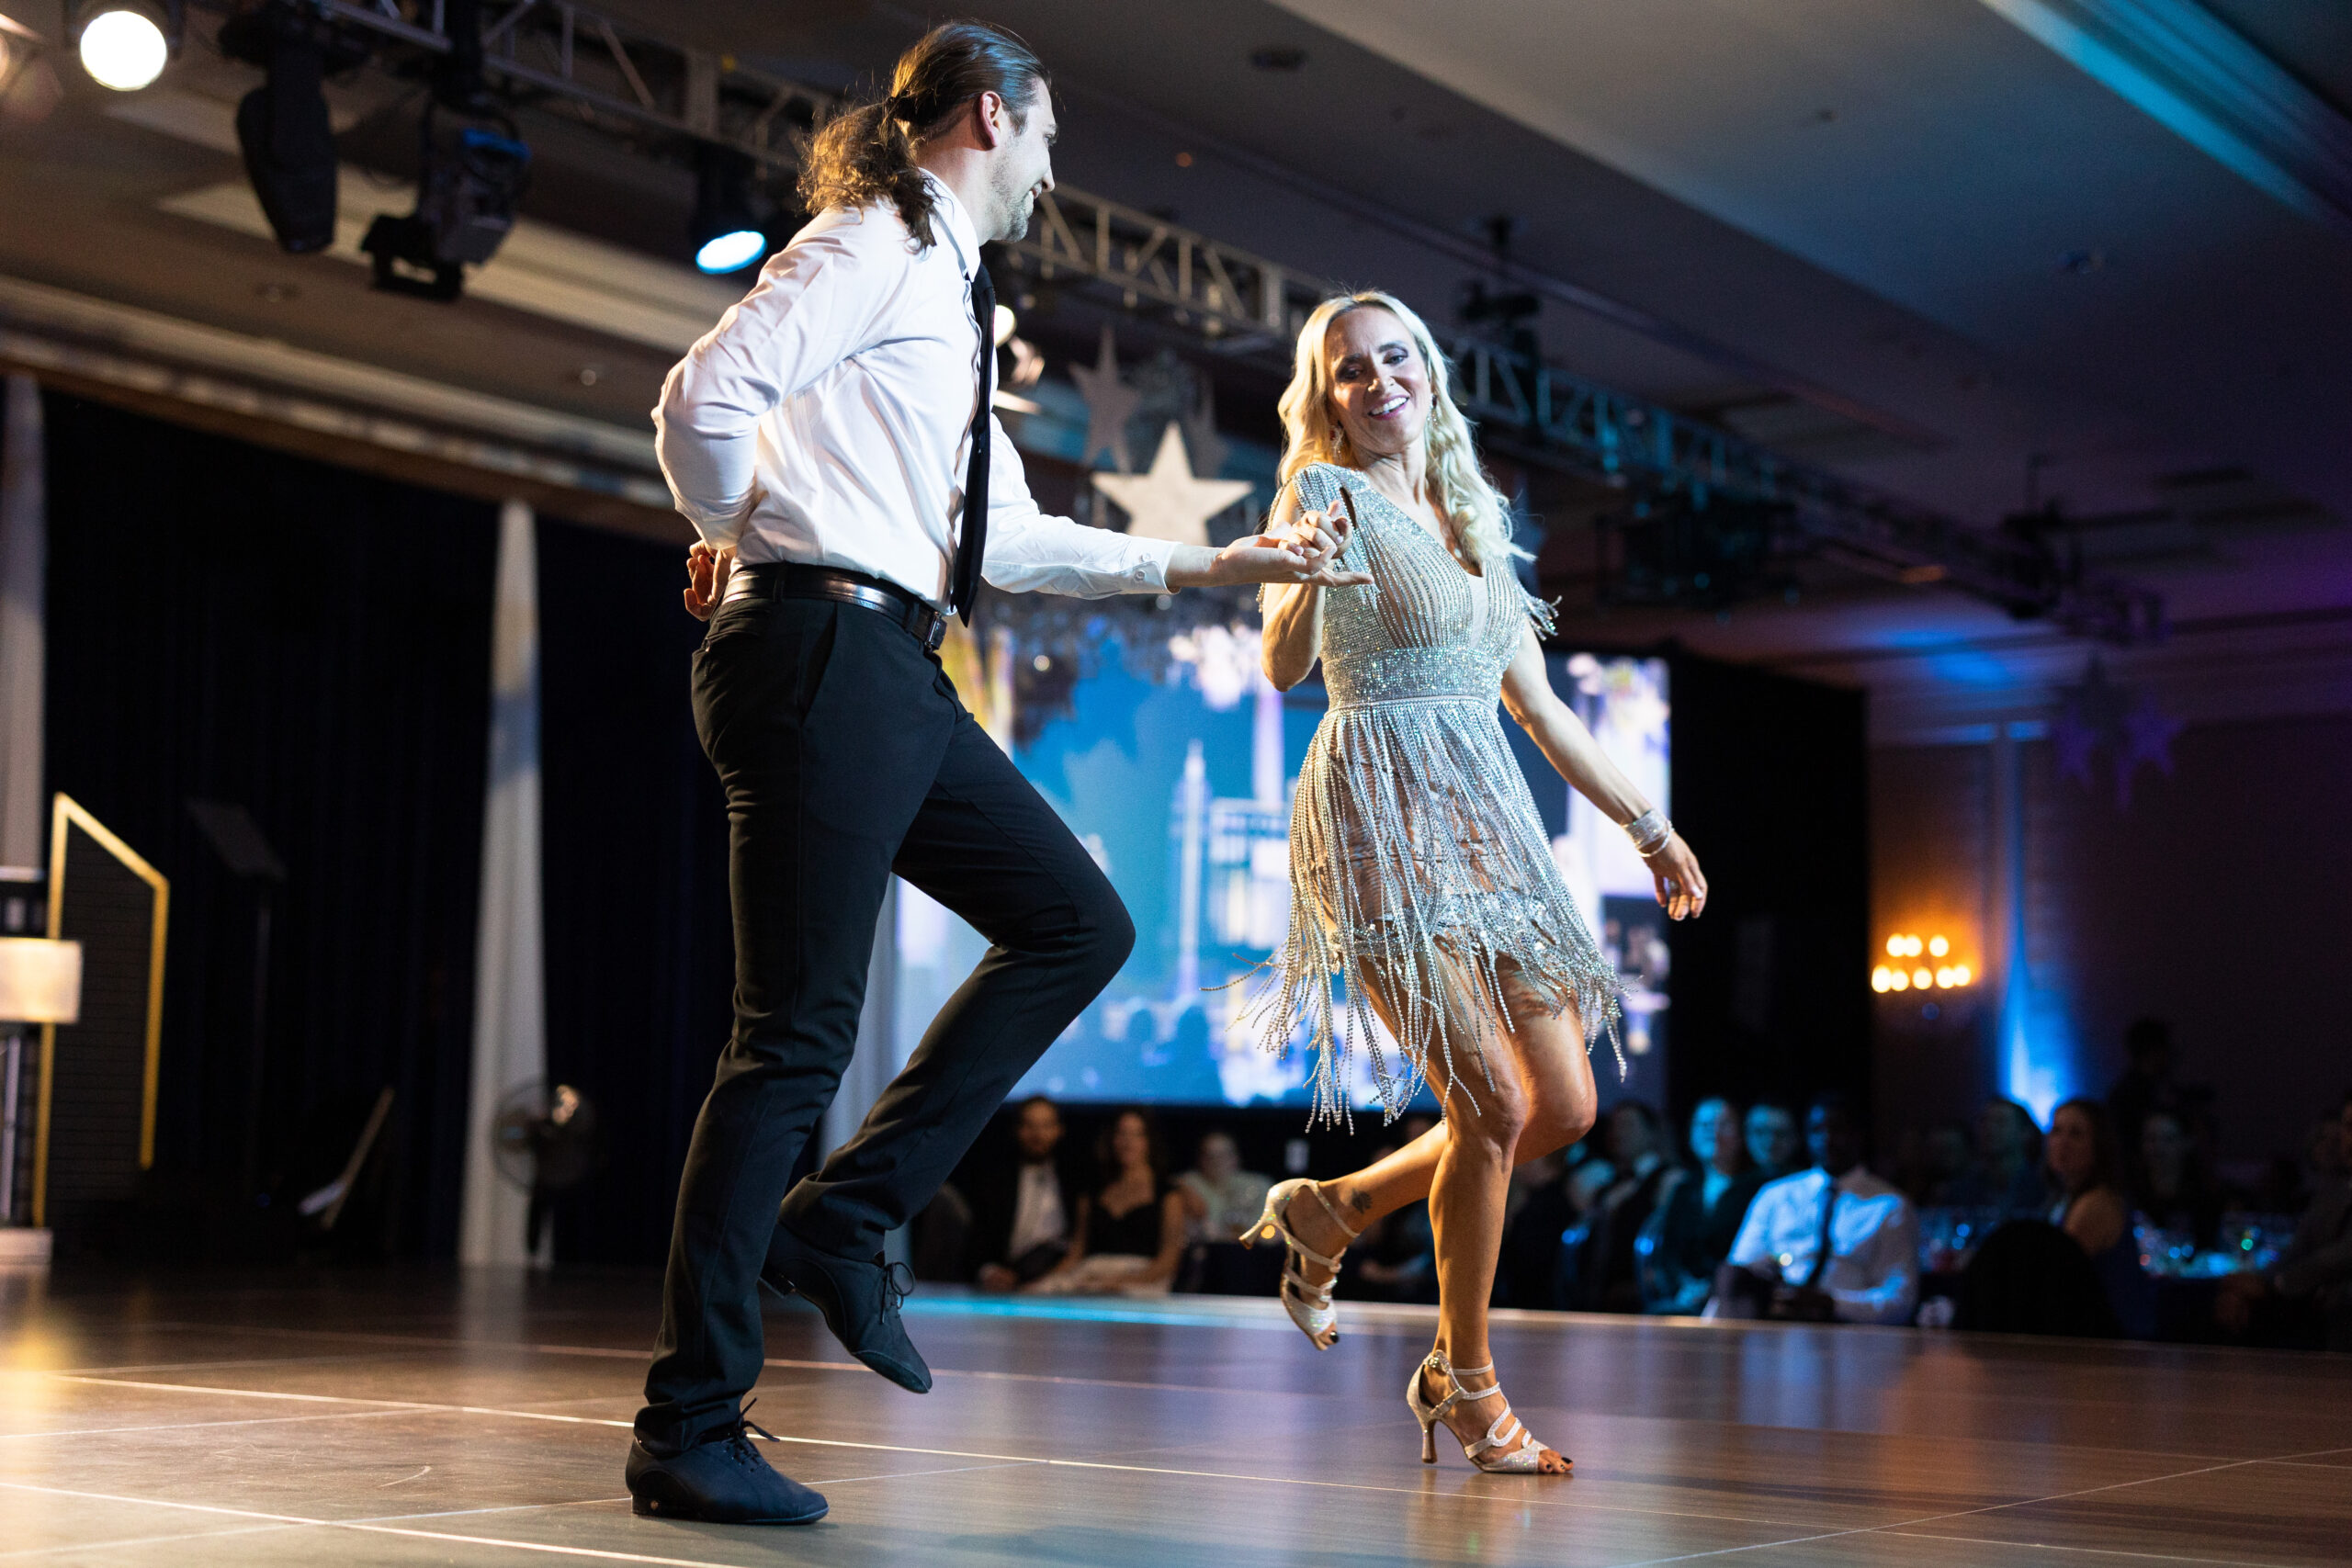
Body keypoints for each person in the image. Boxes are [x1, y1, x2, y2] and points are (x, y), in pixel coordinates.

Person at [627, 22, 1366, 1527]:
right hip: (822, 648)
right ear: (988, 112)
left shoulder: (953, 295)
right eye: (1045, 134)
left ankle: (849, 1216)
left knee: (1077, 923)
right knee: (789, 1043)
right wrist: (733, 525)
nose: (1051, 166)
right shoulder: (878, 238)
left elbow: (1009, 539)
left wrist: (1212, 558)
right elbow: (701, 397)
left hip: (889, 662)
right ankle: (688, 1421)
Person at [1237, 289, 1710, 1474]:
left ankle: (1330, 1208)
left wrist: (1648, 828)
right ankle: (1465, 1379)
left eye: (1396, 358)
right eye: (1350, 369)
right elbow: (1284, 663)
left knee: (1560, 1107)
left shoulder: (1474, 515)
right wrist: (1307, 579)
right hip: (1379, 814)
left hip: (1487, 821)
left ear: (1429, 373)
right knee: (1488, 1108)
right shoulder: (1322, 491)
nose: (1378, 379)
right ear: (1327, 394)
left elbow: (1540, 708)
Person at [1714, 1094, 1918, 1325]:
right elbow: (1740, 1267)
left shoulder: (1890, 1206)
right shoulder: (1777, 1195)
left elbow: (1899, 1300)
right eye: (1817, 1130)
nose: (1827, 1139)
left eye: (1838, 1130)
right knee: (1730, 1278)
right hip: (1776, 1319)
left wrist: (1830, 1303)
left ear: (1858, 1135)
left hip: (1846, 1331)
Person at [2217, 1090, 2352, 1351]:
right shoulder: (2335, 1192)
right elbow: (2297, 1252)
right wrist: (2251, 1285)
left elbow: (2342, 1256)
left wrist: (2271, 1285)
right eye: (2348, 1127)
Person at [1026, 1109, 1187, 1295]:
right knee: (1040, 1295)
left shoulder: (1168, 1193)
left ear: (1149, 1141)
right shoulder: (1092, 1191)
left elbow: (1168, 1260)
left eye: (1137, 1134)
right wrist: (1044, 1283)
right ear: (1111, 1139)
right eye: (1122, 1134)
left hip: (1142, 1281)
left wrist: (1120, 1282)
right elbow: (1076, 1252)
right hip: (1092, 1276)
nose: (1128, 1142)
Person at [1640, 1097, 1764, 1315]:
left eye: (1724, 1125)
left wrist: (1713, 1288)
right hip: (1683, 1296)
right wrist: (1682, 1287)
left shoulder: (1758, 1188)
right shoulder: (1684, 1189)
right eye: (1704, 1125)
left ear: (1740, 1134)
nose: (1713, 1132)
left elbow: (1751, 1254)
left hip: (1734, 1299)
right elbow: (1668, 1252)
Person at [2043, 1097, 2153, 1337]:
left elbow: (2057, 1277)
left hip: (2109, 1341)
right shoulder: (2062, 1200)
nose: (2063, 1143)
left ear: (2098, 1145)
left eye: (2076, 1134)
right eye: (2056, 1131)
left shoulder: (2097, 1203)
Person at [965, 1095, 1080, 1291]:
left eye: (1046, 1125)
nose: (1038, 1135)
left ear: (1059, 1130)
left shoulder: (1075, 1180)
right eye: (1030, 1125)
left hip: (1062, 1282)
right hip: (1008, 1284)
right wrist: (989, 1271)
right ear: (1017, 1130)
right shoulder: (996, 1181)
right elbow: (977, 1240)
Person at [1571, 1100, 1673, 1313]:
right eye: (1614, 1125)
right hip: (1597, 1299)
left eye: (1628, 1125)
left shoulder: (1668, 1180)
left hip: (1640, 1299)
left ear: (1651, 1132)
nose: (1618, 1133)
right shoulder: (1606, 1186)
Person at [2132, 1108, 2225, 1251]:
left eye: (2168, 1139)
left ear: (2187, 1143)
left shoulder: (2206, 1197)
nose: (2158, 1148)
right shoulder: (2129, 1196)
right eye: (2151, 1139)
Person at [1946, 1098, 2048, 1214]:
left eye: (2000, 1122)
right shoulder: (1961, 1189)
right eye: (1984, 1121)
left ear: (2025, 1133)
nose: (1990, 1128)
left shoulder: (2044, 1188)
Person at [1174, 1129, 1272, 1247]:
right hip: (1205, 1254)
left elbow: (1269, 1230)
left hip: (1250, 1254)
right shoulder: (1188, 1185)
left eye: (1223, 1155)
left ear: (1236, 1157)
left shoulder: (1257, 1184)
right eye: (1210, 1156)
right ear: (1200, 1159)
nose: (1217, 1162)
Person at [1745, 1101, 1802, 1183]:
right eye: (1760, 1132)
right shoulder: (1734, 1192)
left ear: (1796, 1138)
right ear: (1746, 1135)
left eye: (1780, 1133)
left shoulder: (1813, 1188)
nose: (1770, 1141)